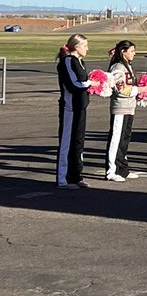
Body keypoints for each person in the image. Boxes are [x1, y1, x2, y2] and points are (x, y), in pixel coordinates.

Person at [56, 34, 91, 189]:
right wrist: (91, 83)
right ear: (76, 47)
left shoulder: (80, 62)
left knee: (78, 142)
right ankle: (63, 179)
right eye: (85, 45)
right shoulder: (68, 61)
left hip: (80, 107)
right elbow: (74, 84)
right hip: (70, 108)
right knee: (66, 143)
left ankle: (76, 176)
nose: (87, 48)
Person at [106, 39, 138, 181]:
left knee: (125, 139)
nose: (134, 53)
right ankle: (112, 171)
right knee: (116, 139)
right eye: (131, 51)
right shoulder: (118, 67)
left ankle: (123, 169)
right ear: (123, 52)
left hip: (129, 107)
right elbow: (121, 89)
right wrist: (139, 90)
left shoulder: (127, 66)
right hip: (120, 108)